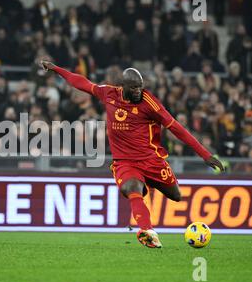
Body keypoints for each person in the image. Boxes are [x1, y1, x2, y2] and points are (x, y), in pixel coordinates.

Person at [40, 60, 225, 248]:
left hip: (151, 160)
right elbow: (81, 83)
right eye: (134, 88)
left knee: (176, 196)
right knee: (131, 189)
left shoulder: (149, 103)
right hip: (124, 162)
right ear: (124, 87)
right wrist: (56, 69)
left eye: (140, 87)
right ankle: (148, 231)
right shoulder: (109, 94)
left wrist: (205, 154)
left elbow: (176, 128)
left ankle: (148, 184)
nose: (138, 91)